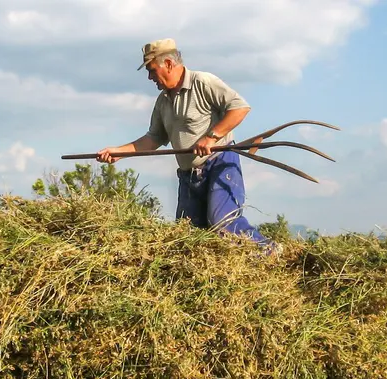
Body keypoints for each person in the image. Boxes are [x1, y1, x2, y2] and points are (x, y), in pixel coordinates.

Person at [96, 38, 281, 255]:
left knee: (223, 222)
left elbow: (240, 108)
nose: (149, 77)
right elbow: (154, 138)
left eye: (152, 70)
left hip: (219, 164)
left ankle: (269, 250)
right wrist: (119, 152)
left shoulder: (203, 82)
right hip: (189, 176)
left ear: (168, 64)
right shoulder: (163, 101)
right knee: (188, 236)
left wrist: (212, 137)